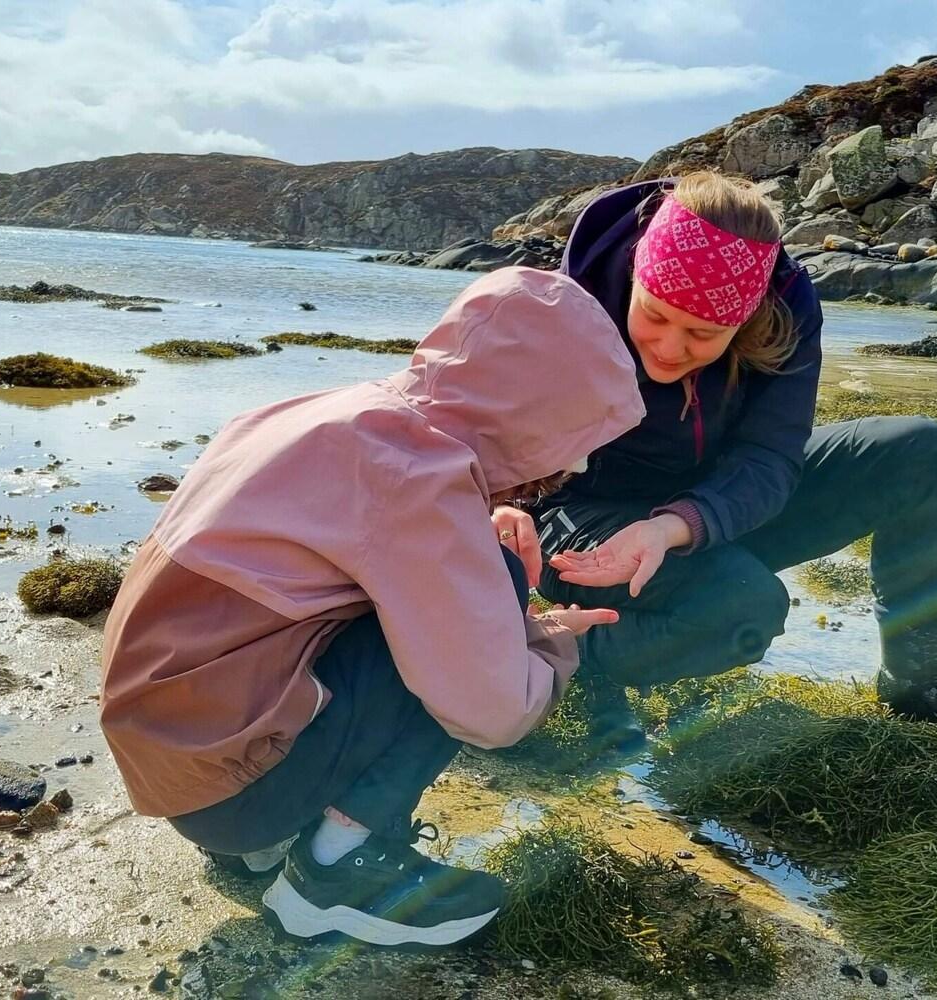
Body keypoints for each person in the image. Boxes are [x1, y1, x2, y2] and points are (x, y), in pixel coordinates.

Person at [99, 267, 644, 948]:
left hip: (170, 760)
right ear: (532, 412)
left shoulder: (339, 413)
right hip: (234, 788)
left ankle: (262, 848)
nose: (581, 466)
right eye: (576, 436)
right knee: (492, 591)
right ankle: (335, 869)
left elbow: (344, 546)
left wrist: (473, 532)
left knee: (459, 585)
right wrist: (549, 636)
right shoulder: (417, 474)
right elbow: (495, 711)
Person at [492, 170, 937, 748]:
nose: (669, 348)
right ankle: (555, 647)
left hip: (707, 501)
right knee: (744, 612)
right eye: (655, 315)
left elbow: (769, 455)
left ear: (746, 320)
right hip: (580, 515)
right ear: (636, 277)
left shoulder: (786, 306)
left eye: (702, 334)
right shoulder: (563, 303)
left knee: (921, 452)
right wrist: (496, 506)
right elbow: (463, 433)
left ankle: (918, 680)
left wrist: (674, 526)